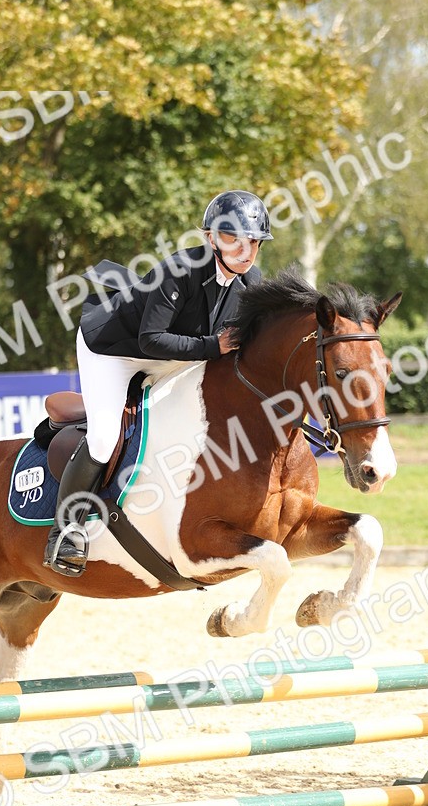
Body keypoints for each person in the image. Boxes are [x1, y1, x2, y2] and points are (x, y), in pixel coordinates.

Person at [43, 189, 273, 576]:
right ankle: (66, 531)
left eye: (253, 241)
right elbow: (151, 339)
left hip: (174, 355)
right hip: (115, 351)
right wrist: (212, 345)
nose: (245, 250)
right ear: (211, 238)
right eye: (233, 238)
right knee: (103, 438)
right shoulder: (180, 270)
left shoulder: (251, 283)